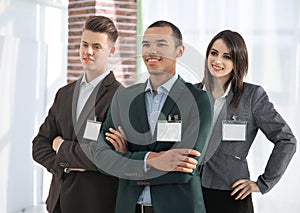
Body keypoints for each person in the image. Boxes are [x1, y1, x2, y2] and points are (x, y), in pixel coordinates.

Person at [94, 20, 212, 213]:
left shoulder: (198, 100)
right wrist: (151, 159)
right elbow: (101, 157)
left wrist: (126, 158)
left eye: (161, 44)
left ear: (179, 51)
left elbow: (185, 168)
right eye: (146, 44)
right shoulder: (124, 97)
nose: (151, 50)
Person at [197, 30, 297, 213]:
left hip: (231, 194)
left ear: (237, 62)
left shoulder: (252, 96)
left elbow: (286, 140)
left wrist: (263, 183)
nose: (217, 61)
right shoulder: (191, 94)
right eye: (213, 53)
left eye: (227, 56)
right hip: (190, 191)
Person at [32, 16, 121, 213]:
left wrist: (60, 146)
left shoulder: (120, 97)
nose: (88, 52)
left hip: (96, 204)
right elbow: (39, 145)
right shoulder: (64, 94)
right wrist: (64, 164)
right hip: (58, 203)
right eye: (84, 44)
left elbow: (105, 156)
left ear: (111, 51)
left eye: (97, 46)